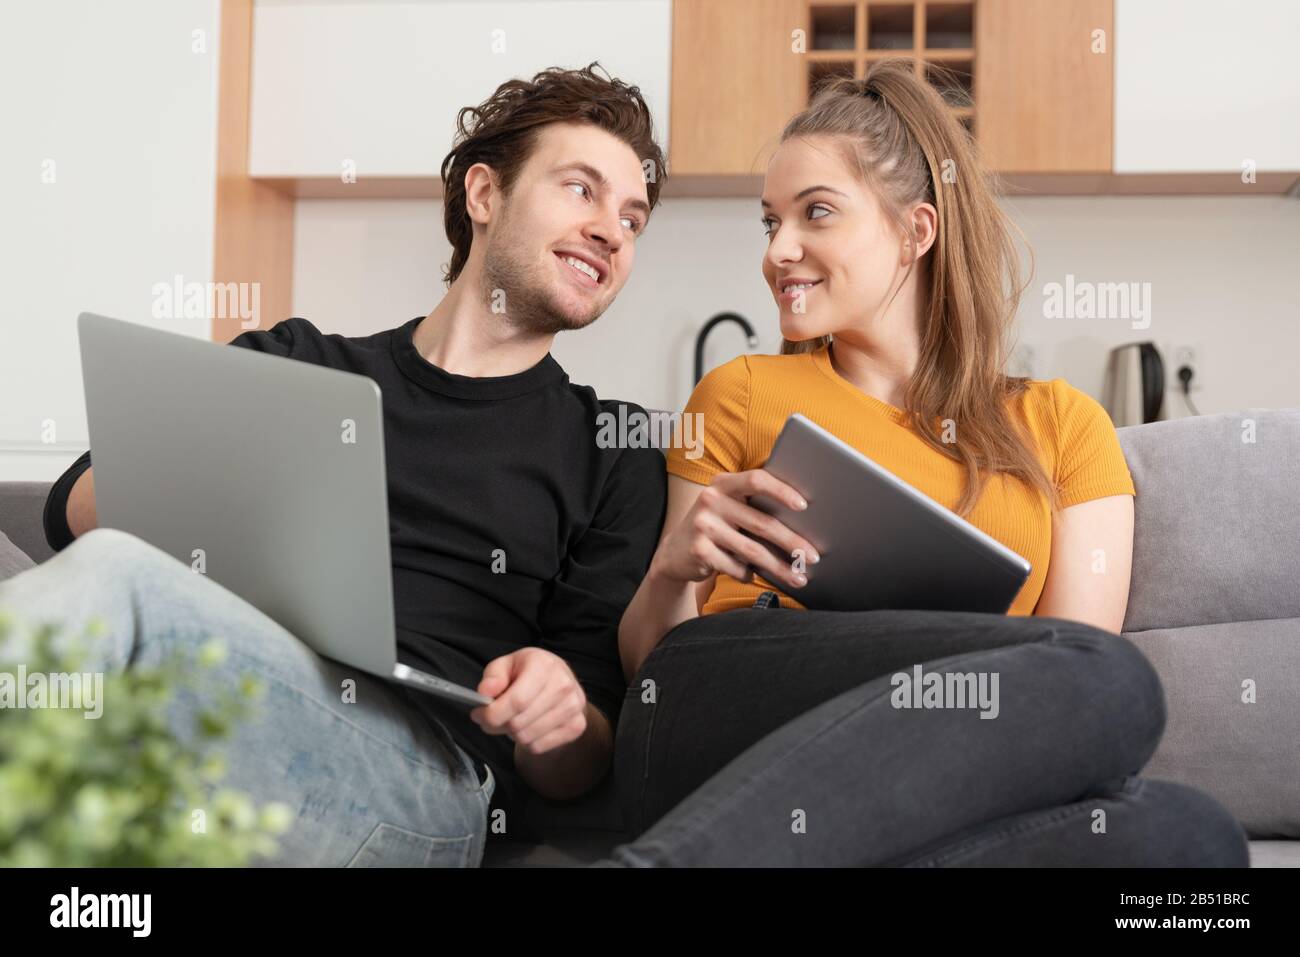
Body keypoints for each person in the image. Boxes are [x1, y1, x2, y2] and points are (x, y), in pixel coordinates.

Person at [1, 63, 667, 866]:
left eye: (633, 218)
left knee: (116, 586)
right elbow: (71, 506)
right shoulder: (300, 361)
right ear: (483, 196)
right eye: (582, 190)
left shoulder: (614, 447)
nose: (612, 230)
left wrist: (559, 709)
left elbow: (582, 759)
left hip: (426, 779)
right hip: (219, 694)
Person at [600, 61, 1248, 866]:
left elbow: (1059, 698)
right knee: (1113, 680)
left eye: (817, 213)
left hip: (939, 761)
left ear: (917, 231)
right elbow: (654, 677)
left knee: (1194, 836)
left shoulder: (1063, 425)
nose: (780, 250)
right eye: (770, 222)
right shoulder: (738, 392)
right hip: (726, 712)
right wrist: (671, 573)